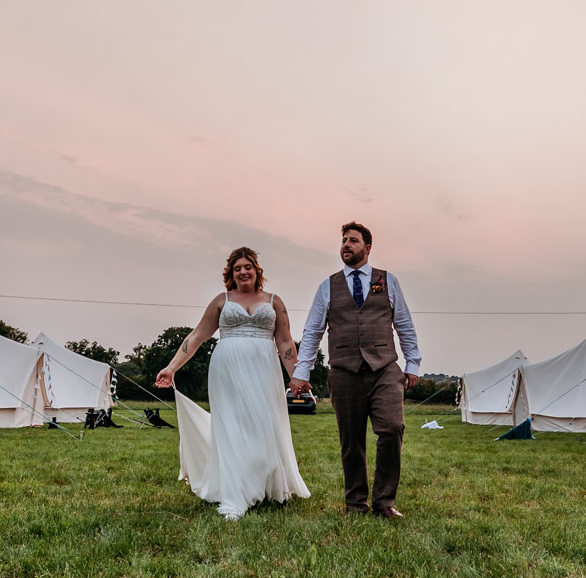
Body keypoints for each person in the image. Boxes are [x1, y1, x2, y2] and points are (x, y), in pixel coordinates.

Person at [157, 247, 308, 519]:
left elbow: (285, 341)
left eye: (247, 266)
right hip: (226, 371)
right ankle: (236, 494)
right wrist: (171, 368)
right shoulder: (221, 301)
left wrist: (297, 376)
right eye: (237, 268)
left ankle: (265, 484)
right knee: (232, 427)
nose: (243, 272)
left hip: (264, 370)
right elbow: (197, 336)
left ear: (256, 270)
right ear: (231, 273)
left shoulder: (274, 302)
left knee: (263, 424)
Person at [289, 221, 421, 517]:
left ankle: (385, 502)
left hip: (384, 367)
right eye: (344, 241)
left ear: (368, 247)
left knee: (392, 428)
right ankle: (355, 503)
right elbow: (312, 332)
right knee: (351, 440)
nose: (346, 245)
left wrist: (412, 363)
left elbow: (404, 325)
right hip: (344, 370)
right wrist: (302, 372)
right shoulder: (328, 286)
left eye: (353, 241)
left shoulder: (388, 281)